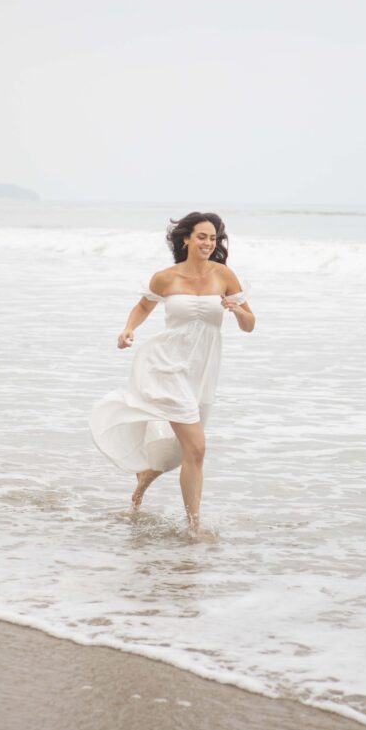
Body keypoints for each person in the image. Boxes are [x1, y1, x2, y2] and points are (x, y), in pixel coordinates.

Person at [89, 211, 255, 535]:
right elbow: (143, 307)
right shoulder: (166, 277)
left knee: (184, 450)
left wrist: (236, 311)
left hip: (202, 371)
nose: (209, 243)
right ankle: (195, 528)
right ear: (186, 239)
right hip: (166, 365)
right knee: (197, 448)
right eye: (202, 236)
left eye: (213, 238)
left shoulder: (225, 276)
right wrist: (128, 330)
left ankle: (143, 481)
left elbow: (251, 325)